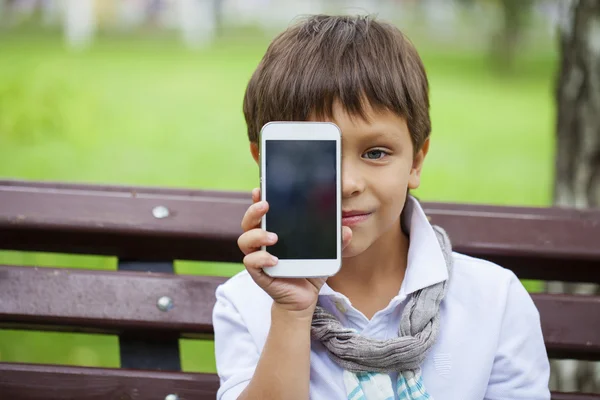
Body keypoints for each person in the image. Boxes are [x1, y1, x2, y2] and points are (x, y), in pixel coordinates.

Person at [212, 14, 551, 400]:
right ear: (264, 162)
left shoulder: (494, 300)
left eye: (375, 152)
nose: (347, 183)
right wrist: (292, 314)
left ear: (416, 161)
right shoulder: (245, 304)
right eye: (314, 156)